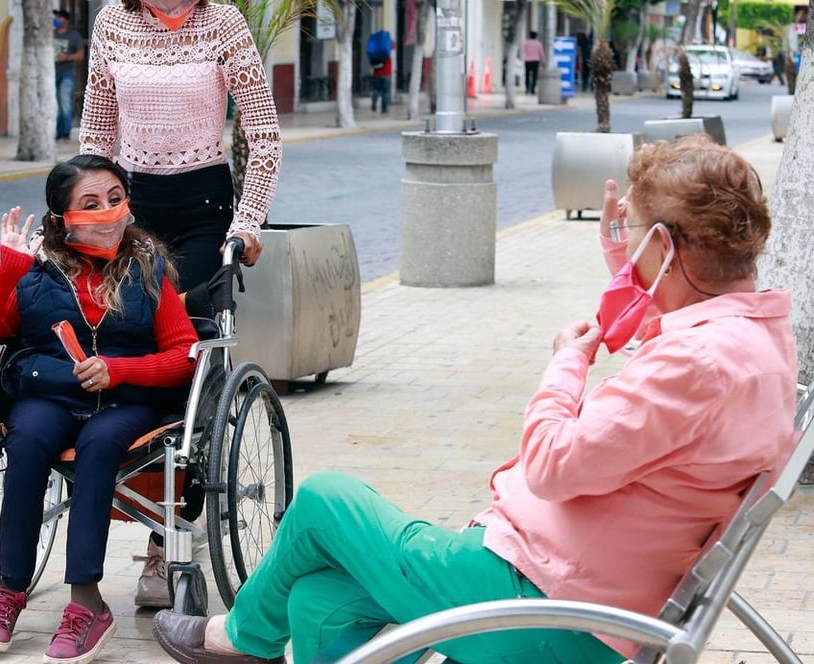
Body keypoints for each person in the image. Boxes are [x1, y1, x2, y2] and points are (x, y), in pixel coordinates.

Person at [151, 135, 798, 664]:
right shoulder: (751, 340)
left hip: (543, 605)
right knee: (319, 601)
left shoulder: (699, 362)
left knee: (324, 501)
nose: (627, 253)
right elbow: (667, 355)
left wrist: (565, 365)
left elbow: (549, 464)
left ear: (665, 248)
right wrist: (624, 263)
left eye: (634, 240)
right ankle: (253, 636)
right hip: (561, 588)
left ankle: (238, 640)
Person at [79, 0, 283, 607]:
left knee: (177, 357)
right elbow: (96, 135)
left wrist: (248, 223)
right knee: (113, 338)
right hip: (127, 213)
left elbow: (263, 134)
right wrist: (83, 217)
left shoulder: (223, 25)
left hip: (201, 216)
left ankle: (164, 544)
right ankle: (109, 492)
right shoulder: (111, 24)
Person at [0, 154, 198, 663]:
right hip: (48, 394)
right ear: (62, 220)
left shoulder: (149, 270)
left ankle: (87, 601)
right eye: (91, 204)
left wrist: (121, 370)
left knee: (99, 443)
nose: (108, 213)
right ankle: (10, 589)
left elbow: (183, 356)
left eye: (115, 199)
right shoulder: (34, 275)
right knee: (28, 438)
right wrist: (6, 276)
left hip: (125, 401)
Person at [54, 9, 86, 141]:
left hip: (67, 74)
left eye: (59, 17)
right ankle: (58, 131)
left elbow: (80, 55)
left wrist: (66, 57)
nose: (56, 20)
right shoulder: (51, 35)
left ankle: (65, 133)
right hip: (52, 74)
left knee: (65, 103)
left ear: (66, 20)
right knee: (55, 104)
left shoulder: (73, 36)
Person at [520, 30, 545, 95]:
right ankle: (533, 89)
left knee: (527, 75)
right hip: (536, 61)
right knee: (534, 75)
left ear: (530, 36)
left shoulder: (526, 43)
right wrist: (543, 61)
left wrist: (522, 59)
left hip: (527, 61)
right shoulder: (538, 44)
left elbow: (522, 52)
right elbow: (541, 53)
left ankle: (527, 88)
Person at [370, 45, 393, 114]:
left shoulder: (376, 53)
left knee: (375, 90)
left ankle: (374, 103)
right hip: (386, 74)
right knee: (385, 92)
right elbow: (394, 45)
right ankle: (384, 109)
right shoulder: (387, 53)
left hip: (377, 74)